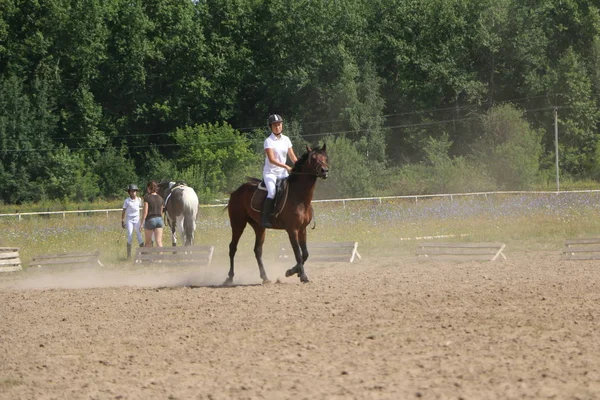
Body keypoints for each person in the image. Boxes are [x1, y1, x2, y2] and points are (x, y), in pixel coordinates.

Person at [262, 114, 297, 228]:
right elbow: (272, 160)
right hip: (270, 173)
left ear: (282, 125)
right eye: (275, 125)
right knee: (272, 192)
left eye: (279, 124)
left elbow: (292, 156)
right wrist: (286, 166)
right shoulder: (268, 141)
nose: (277, 127)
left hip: (283, 173)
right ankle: (265, 218)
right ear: (271, 127)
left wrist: (298, 166)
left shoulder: (286, 139)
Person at [121, 184, 144, 259]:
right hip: (129, 220)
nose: (133, 193)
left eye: (134, 191)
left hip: (137, 219)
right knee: (130, 237)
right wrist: (122, 220)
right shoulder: (127, 201)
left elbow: (143, 208)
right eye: (132, 191)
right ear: (129, 192)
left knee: (139, 236)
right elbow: (124, 211)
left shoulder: (139, 200)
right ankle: (128, 256)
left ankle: (143, 255)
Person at [140, 180, 164, 248]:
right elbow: (161, 212)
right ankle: (160, 258)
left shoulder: (147, 197)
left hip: (150, 220)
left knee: (148, 242)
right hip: (159, 220)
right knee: (159, 241)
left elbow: (145, 212)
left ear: (149, 188)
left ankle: (149, 258)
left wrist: (141, 224)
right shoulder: (161, 198)